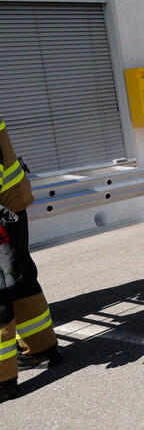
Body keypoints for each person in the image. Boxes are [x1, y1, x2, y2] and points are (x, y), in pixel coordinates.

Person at [1, 109, 62, 403]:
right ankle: (41, 347)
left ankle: (3, 381)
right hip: (11, 196)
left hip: (3, 203)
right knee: (20, 276)